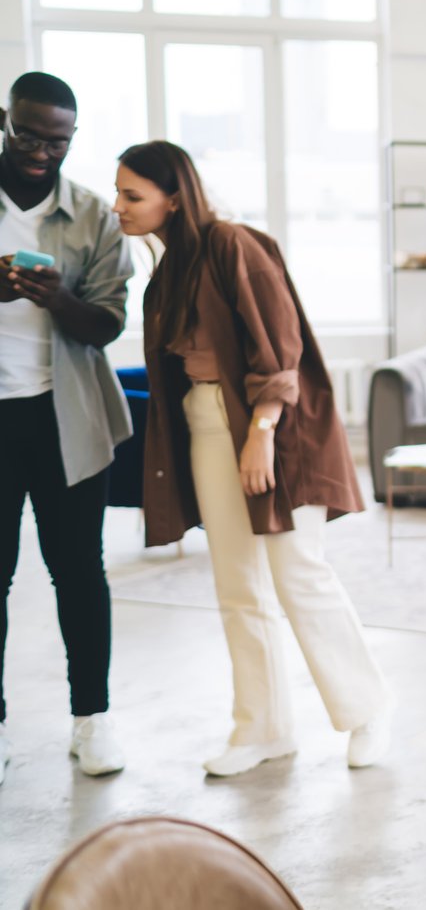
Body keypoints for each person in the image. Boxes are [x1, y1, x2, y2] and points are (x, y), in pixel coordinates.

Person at [113, 140, 392, 777]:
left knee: (298, 571)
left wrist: (262, 429)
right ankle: (262, 728)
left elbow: (281, 340)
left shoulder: (234, 244)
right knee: (238, 585)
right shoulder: (166, 274)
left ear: (174, 197)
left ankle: (368, 707)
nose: (119, 207)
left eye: (133, 195)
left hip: (273, 427)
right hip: (206, 425)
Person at [0, 72, 132, 782]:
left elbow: (109, 323)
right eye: (29, 134)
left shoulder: (90, 215)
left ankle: (93, 721)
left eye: (59, 140)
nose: (42, 151)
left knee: (79, 572)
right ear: (6, 119)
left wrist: (58, 299)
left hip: (66, 418)